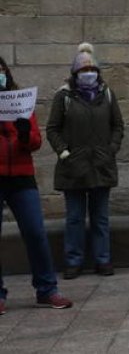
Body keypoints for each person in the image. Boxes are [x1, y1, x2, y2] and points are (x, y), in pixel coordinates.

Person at [0, 56, 73, 314]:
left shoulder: (20, 102)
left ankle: (47, 289)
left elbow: (35, 141)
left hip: (21, 176)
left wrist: (22, 133)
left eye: (1, 71)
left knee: (35, 232)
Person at [45, 43, 124, 279]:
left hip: (101, 165)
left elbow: (117, 126)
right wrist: (64, 153)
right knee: (75, 219)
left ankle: (103, 260)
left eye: (92, 68)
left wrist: (111, 150)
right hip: (74, 168)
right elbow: (52, 129)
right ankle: (73, 261)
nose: (88, 73)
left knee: (100, 218)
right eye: (83, 69)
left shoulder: (107, 94)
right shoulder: (64, 96)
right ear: (75, 73)